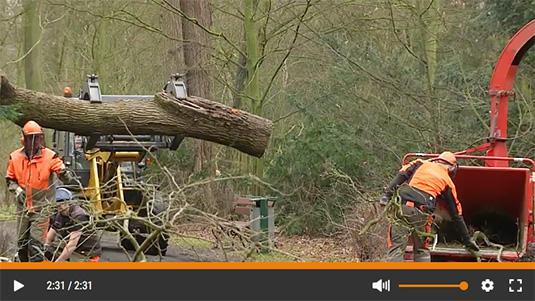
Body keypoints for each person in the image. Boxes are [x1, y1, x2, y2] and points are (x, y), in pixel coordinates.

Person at [380, 151, 480, 262]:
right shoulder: (447, 182)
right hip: (421, 213)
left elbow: (401, 174)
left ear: (437, 160)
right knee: (421, 250)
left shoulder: (420, 163)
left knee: (397, 248)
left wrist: (386, 195)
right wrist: (467, 240)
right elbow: (457, 214)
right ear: (452, 167)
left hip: (401, 207)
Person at [6, 120, 75, 262]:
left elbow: (64, 173)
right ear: (24, 138)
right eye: (30, 138)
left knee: (35, 244)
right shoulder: (15, 157)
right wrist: (17, 190)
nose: (34, 141)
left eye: (37, 137)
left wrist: (63, 173)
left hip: (42, 207)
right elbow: (9, 180)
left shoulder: (50, 156)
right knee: (22, 243)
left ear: (41, 138)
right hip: (23, 206)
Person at [45, 188, 102, 262]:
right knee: (48, 252)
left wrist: (58, 262)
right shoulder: (61, 214)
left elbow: (71, 245)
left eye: (60, 205)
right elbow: (49, 237)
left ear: (68, 202)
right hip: (73, 250)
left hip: (86, 253)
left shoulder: (79, 216)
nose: (58, 208)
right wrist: (45, 248)